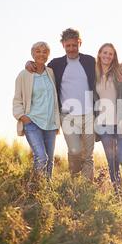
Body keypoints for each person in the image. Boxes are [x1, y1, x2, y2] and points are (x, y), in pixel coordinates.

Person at [26, 28, 95, 182]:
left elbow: (105, 70)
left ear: (80, 43)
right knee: (75, 151)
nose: (71, 49)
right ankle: (74, 177)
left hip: (89, 114)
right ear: (63, 45)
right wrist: (28, 63)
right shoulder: (55, 64)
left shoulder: (90, 61)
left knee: (88, 155)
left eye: (74, 45)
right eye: (68, 45)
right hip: (67, 116)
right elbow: (40, 67)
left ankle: (85, 189)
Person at [13, 42, 60, 179]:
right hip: (32, 122)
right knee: (41, 157)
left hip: (50, 123)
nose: (41, 54)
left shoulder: (51, 73)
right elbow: (17, 99)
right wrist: (22, 116)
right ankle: (34, 188)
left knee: (49, 162)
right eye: (38, 51)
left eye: (44, 52)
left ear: (48, 55)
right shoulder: (24, 75)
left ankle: (46, 192)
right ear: (32, 54)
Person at [94, 43, 122, 198]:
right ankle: (118, 194)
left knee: (121, 155)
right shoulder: (95, 75)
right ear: (99, 54)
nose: (107, 56)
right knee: (111, 160)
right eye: (105, 52)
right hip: (104, 122)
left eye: (110, 54)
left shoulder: (120, 74)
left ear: (114, 56)